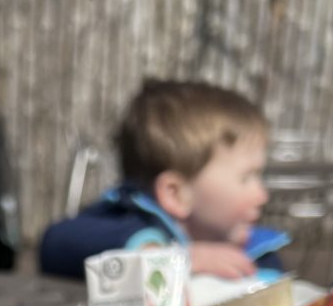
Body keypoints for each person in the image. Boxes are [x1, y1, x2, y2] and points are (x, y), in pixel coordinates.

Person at [39, 79, 284, 280]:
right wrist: (167, 258)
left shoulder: (258, 253)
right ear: (175, 194)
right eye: (246, 179)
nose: (262, 195)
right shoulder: (128, 221)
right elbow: (57, 243)